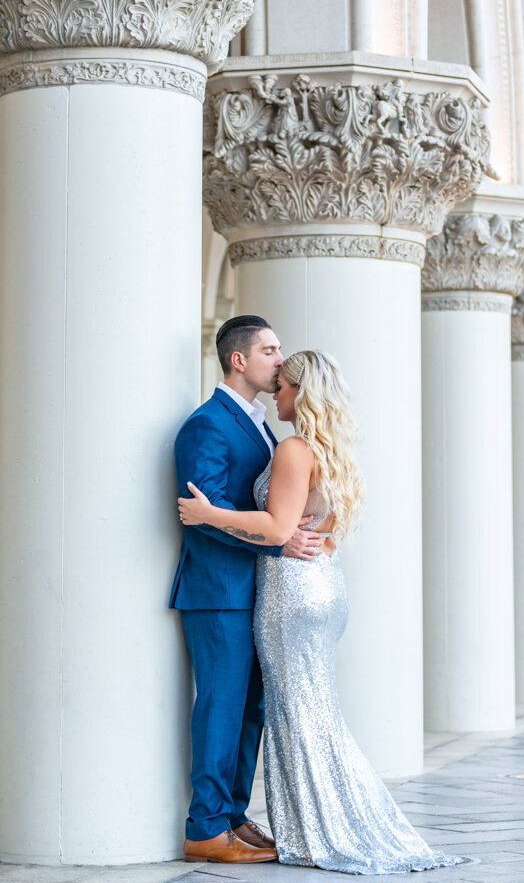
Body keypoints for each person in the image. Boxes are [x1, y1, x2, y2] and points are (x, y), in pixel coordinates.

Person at [178, 350, 462, 875]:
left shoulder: (291, 447)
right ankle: (321, 825)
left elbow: (280, 530)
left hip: (292, 593)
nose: (276, 392)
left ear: (301, 394)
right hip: (321, 588)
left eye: (283, 385)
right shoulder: (330, 449)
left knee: (302, 716)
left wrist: (207, 512)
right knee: (307, 713)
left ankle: (332, 826)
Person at [170, 316, 324, 865]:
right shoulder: (207, 424)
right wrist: (277, 545)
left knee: (250, 709)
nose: (279, 361)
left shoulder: (262, 425)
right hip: (218, 592)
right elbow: (202, 514)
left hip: (257, 595)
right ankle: (206, 827)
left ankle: (233, 815)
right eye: (269, 350)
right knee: (222, 706)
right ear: (239, 360)